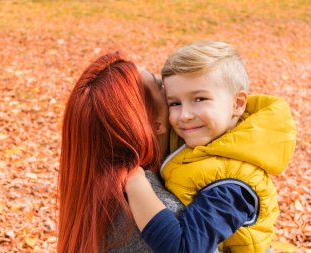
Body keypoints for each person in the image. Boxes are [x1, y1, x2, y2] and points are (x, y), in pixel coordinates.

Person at [125, 41, 297, 253]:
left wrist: (135, 183)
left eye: (200, 99)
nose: (185, 116)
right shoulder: (201, 139)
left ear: (238, 104)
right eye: (175, 103)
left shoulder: (234, 184)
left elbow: (184, 249)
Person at [58, 51, 185, 253]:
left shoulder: (97, 197)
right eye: (160, 84)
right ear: (154, 123)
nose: (169, 86)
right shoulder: (157, 211)